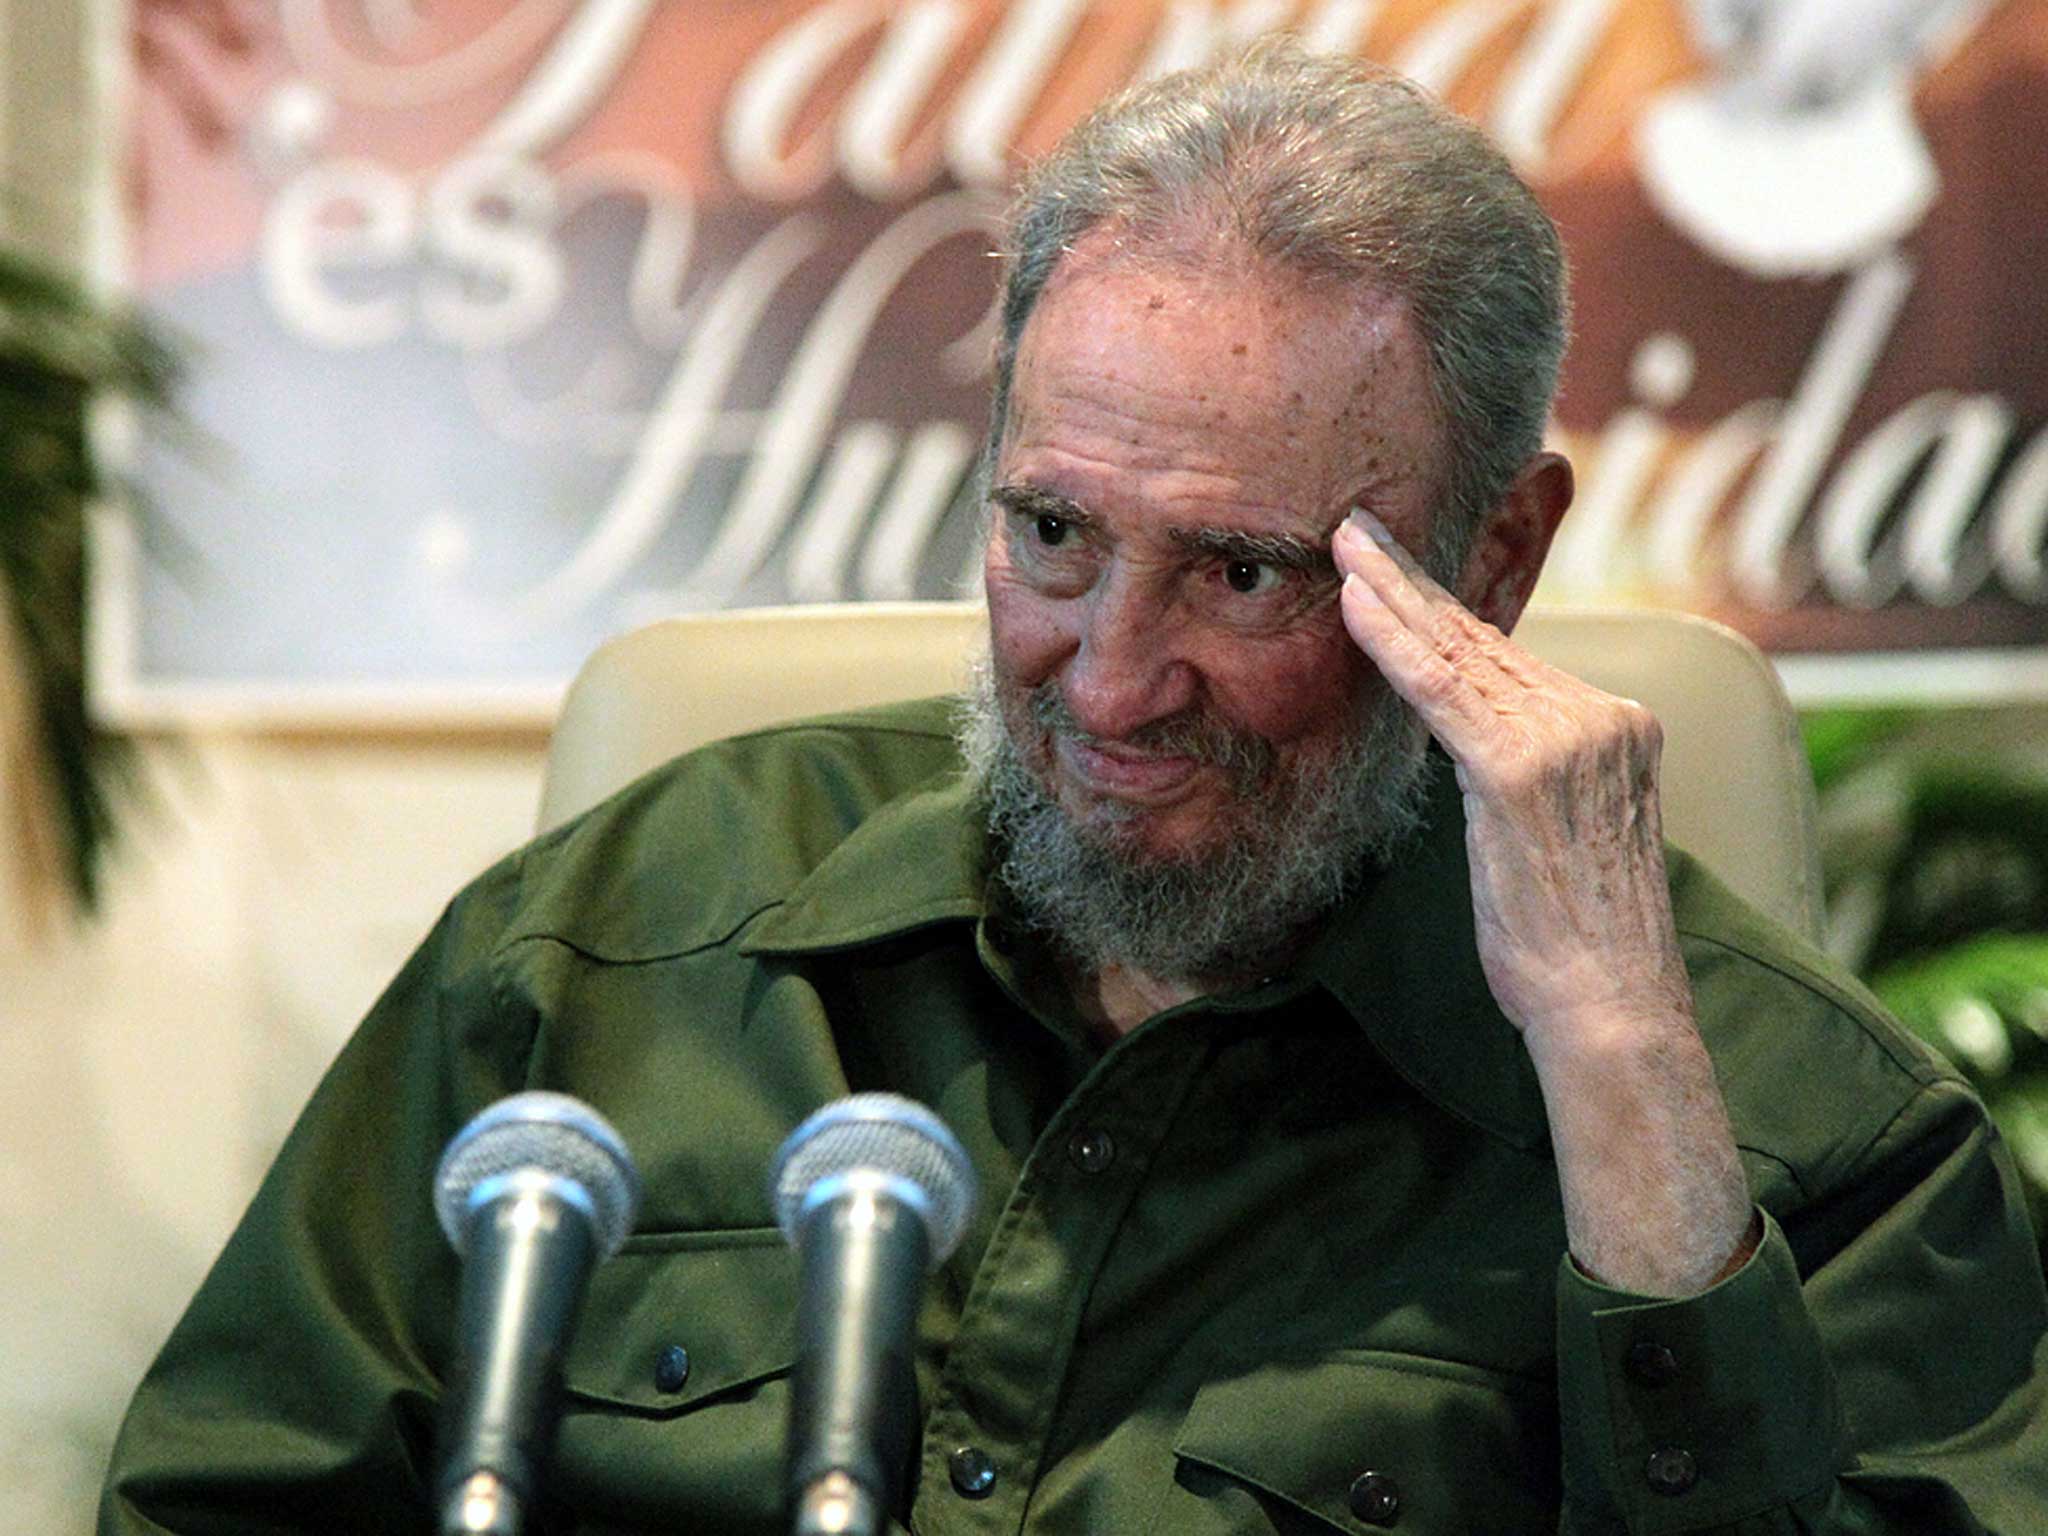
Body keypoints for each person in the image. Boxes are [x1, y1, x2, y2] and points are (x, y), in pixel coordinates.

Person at [102, 37, 2048, 1535]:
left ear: (1497, 556)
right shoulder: (611, 954)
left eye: (1243, 572)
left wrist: (1627, 1108)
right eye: (1050, 531)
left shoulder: (1796, 1131)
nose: (1110, 678)